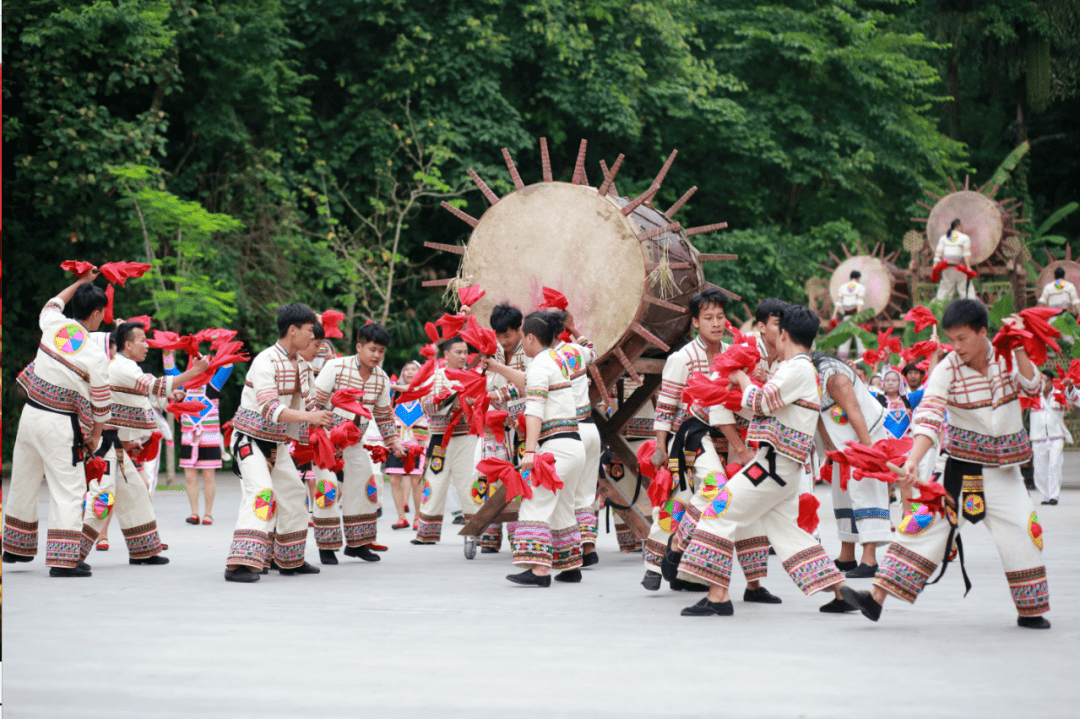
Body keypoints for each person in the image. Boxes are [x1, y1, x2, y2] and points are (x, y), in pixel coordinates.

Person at [842, 299, 1051, 629]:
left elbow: (1035, 387)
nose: (956, 347)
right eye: (951, 339)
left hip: (1005, 474)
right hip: (961, 473)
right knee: (920, 528)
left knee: (1024, 532)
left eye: (962, 339)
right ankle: (876, 598)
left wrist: (1022, 347)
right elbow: (928, 416)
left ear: (983, 332)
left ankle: (1031, 610)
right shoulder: (947, 369)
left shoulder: (1010, 357)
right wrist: (912, 460)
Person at [677, 305, 857, 616]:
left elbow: (760, 404)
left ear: (784, 333)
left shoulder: (794, 369)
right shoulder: (802, 369)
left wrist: (743, 378)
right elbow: (770, 403)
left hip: (770, 468)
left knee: (718, 513)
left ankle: (718, 596)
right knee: (790, 535)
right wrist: (754, 379)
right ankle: (842, 592)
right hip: (780, 469)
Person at [647, 291, 775, 601]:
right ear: (695, 322)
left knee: (729, 501)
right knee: (712, 491)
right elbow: (666, 406)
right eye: (708, 318)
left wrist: (758, 375)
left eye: (720, 317)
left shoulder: (737, 353)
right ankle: (657, 562)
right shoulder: (682, 358)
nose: (716, 324)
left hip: (733, 436)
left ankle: (751, 583)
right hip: (695, 436)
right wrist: (660, 446)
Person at [3, 271, 111, 577]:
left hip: (30, 416)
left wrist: (79, 281)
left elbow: (52, 304)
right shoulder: (93, 352)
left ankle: (15, 547)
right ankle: (64, 560)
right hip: (60, 424)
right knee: (69, 488)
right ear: (96, 313)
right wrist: (95, 435)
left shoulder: (54, 325)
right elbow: (102, 404)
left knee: (24, 481)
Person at [79, 321, 209, 566]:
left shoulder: (124, 366)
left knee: (137, 493)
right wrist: (195, 370)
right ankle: (71, 555)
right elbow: (158, 386)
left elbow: (120, 410)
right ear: (128, 345)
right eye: (142, 340)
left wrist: (126, 443)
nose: (147, 345)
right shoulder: (123, 367)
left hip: (114, 443)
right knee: (102, 496)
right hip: (103, 445)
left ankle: (144, 551)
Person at [223, 303, 334, 583]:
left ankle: (290, 560)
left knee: (295, 494)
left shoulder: (302, 366)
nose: (313, 338)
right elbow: (271, 409)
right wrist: (313, 416)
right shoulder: (265, 361)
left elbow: (311, 405)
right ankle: (239, 565)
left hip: (277, 443)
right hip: (249, 440)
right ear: (293, 331)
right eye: (310, 331)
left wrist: (332, 428)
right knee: (262, 493)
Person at [502, 311, 586, 586]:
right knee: (562, 505)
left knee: (534, 503)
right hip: (574, 444)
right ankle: (571, 565)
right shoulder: (562, 357)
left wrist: (529, 452)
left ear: (529, 338)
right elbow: (589, 353)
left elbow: (534, 410)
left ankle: (539, 570)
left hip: (556, 447)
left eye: (522, 339)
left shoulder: (539, 364)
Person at [311, 322, 405, 564]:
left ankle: (357, 544)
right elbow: (314, 404)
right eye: (373, 349)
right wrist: (315, 434)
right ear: (359, 347)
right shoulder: (335, 367)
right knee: (327, 490)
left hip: (355, 442)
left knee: (367, 487)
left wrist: (393, 441)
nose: (377, 355)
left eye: (381, 351)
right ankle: (327, 547)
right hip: (326, 441)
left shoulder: (382, 379)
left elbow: (384, 416)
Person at [811, 353, 892, 587]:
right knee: (843, 496)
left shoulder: (833, 376)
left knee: (866, 494)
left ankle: (870, 559)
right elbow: (819, 418)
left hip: (866, 437)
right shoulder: (808, 375)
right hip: (844, 443)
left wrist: (869, 450)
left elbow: (854, 409)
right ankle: (847, 556)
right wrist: (830, 449)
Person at [412, 336, 481, 544]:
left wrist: (468, 403)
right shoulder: (435, 377)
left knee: (471, 482)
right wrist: (449, 402)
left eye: (465, 352)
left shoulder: (474, 375)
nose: (463, 356)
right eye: (458, 352)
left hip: (467, 438)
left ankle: (475, 532)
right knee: (434, 483)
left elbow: (481, 403)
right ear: (446, 354)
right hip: (440, 438)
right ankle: (426, 534)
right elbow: (425, 405)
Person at [163, 347, 233, 526]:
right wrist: (166, 349)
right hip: (189, 437)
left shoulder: (213, 384)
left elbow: (228, 365)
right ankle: (194, 512)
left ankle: (208, 514)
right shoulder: (183, 384)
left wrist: (222, 342)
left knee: (209, 477)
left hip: (209, 438)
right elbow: (169, 368)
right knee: (189, 477)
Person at [385, 361, 428, 529]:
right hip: (397, 439)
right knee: (395, 478)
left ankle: (418, 517)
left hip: (417, 440)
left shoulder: (424, 391)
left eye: (414, 369)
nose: (410, 372)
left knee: (417, 479)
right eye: (407, 369)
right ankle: (401, 517)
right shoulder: (393, 393)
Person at [1030, 370, 1079, 506]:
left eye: (1044, 380)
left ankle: (1054, 495)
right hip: (1038, 437)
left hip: (1056, 437)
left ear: (1051, 381)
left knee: (1055, 465)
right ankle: (1046, 494)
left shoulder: (1059, 395)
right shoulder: (1032, 396)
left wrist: (1070, 388)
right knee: (1039, 469)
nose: (1041, 383)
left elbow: (1073, 397)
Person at [933, 218, 977, 301]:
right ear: (958, 226)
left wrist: (935, 267)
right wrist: (968, 267)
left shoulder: (944, 238)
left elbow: (938, 253)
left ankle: (940, 308)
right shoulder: (964, 237)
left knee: (945, 290)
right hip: (958, 267)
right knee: (964, 290)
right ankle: (969, 307)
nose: (962, 228)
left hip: (947, 267)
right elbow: (966, 253)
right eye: (962, 226)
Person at [833, 270, 867, 360]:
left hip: (846, 317)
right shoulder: (860, 287)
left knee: (844, 341)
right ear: (858, 278)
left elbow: (838, 302)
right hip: (855, 316)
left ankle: (841, 362)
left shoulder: (843, 287)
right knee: (860, 341)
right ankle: (862, 362)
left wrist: (834, 315)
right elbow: (860, 303)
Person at [878, 368, 912, 438]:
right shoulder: (877, 399)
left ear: (900, 383)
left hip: (907, 440)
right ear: (883, 383)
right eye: (887, 381)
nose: (890, 383)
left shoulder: (908, 399)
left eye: (894, 380)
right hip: (884, 440)